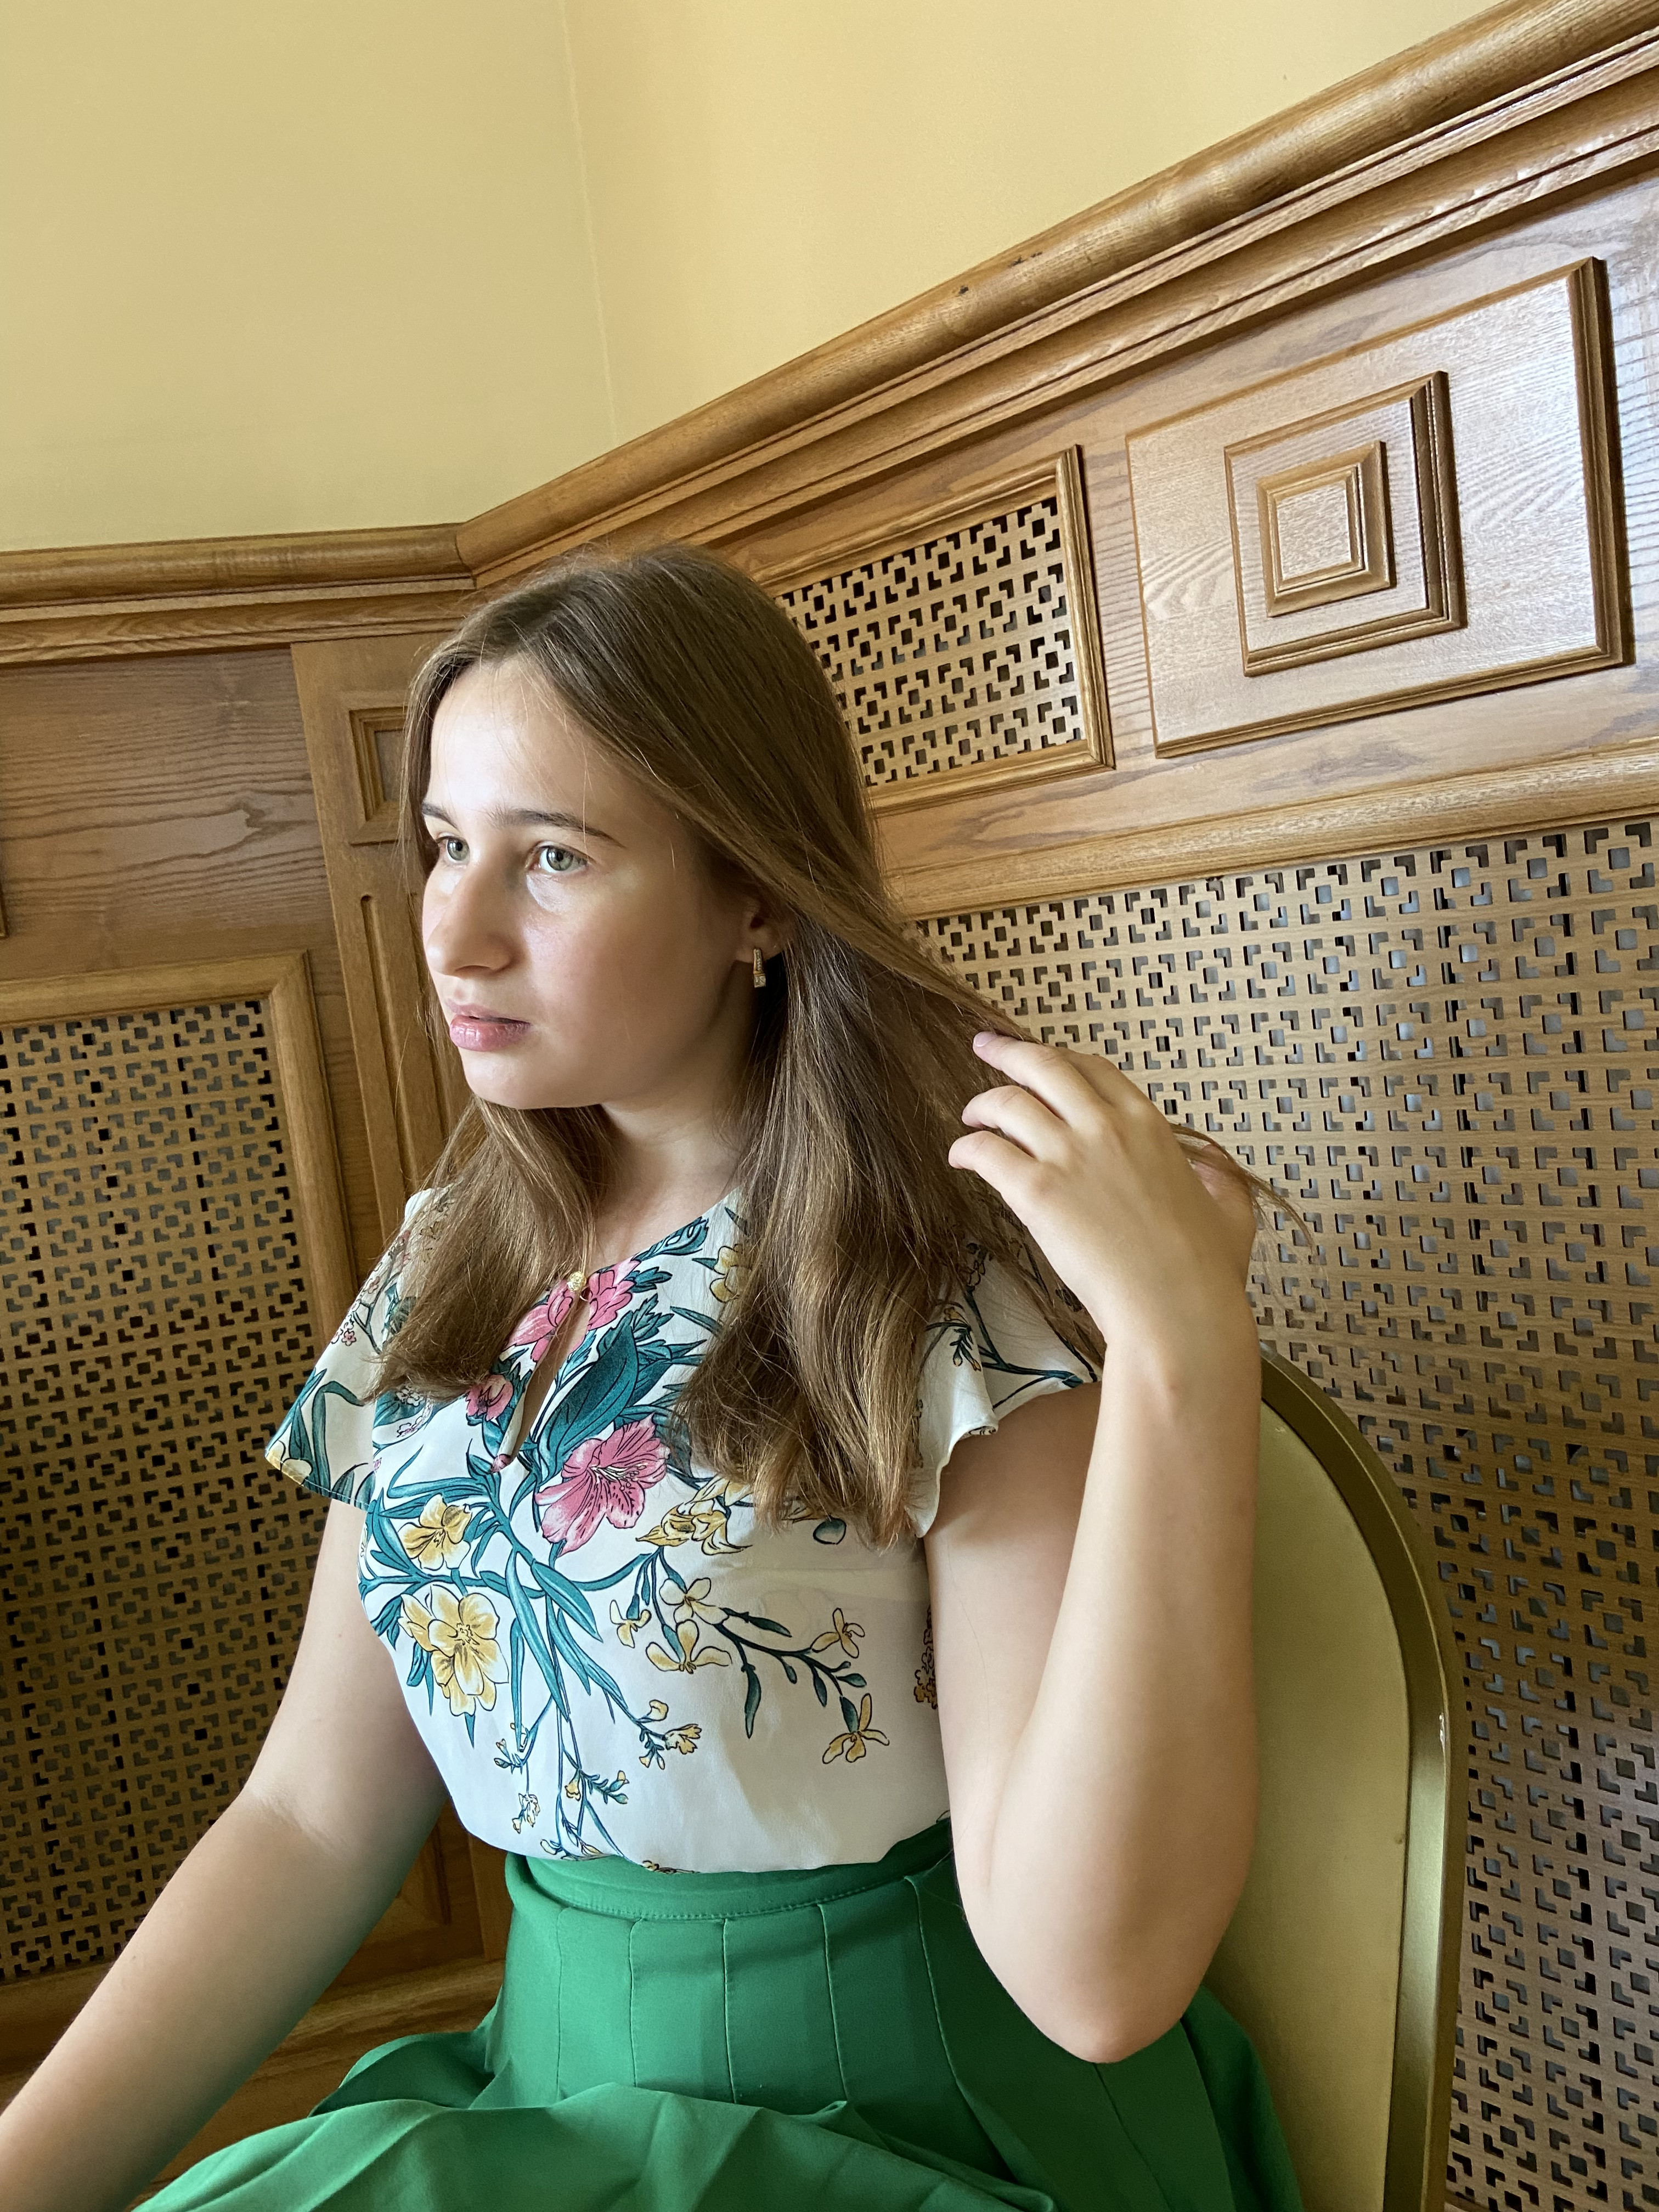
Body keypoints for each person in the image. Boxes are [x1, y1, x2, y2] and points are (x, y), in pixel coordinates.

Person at [0, 546, 1301, 2212]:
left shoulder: (933, 1294)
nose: (456, 931)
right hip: (551, 2103)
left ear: (757, 897)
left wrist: (1184, 1350)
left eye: (551, 858)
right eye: (446, 845)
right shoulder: (453, 1258)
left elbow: (1095, 1984)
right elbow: (309, 1822)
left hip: (895, 2135)